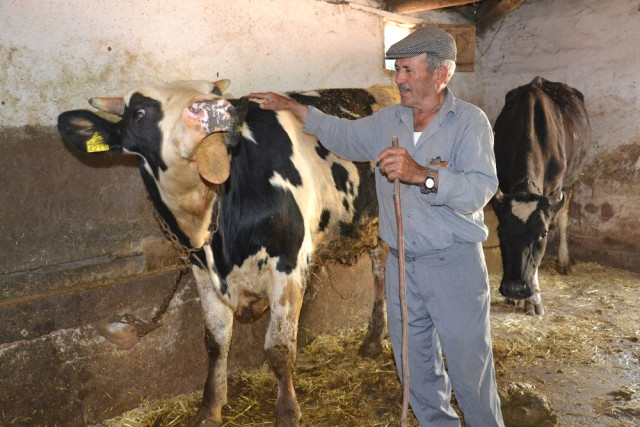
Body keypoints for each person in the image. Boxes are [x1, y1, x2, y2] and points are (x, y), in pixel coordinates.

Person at [250, 27, 504, 427]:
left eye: (407, 70)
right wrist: (296, 109)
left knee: (470, 369)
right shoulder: (390, 119)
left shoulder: (469, 123)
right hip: (401, 264)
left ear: (441, 74)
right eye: (396, 70)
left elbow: (479, 190)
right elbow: (345, 136)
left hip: (453, 264)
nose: (398, 79)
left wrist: (423, 175)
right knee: (415, 368)